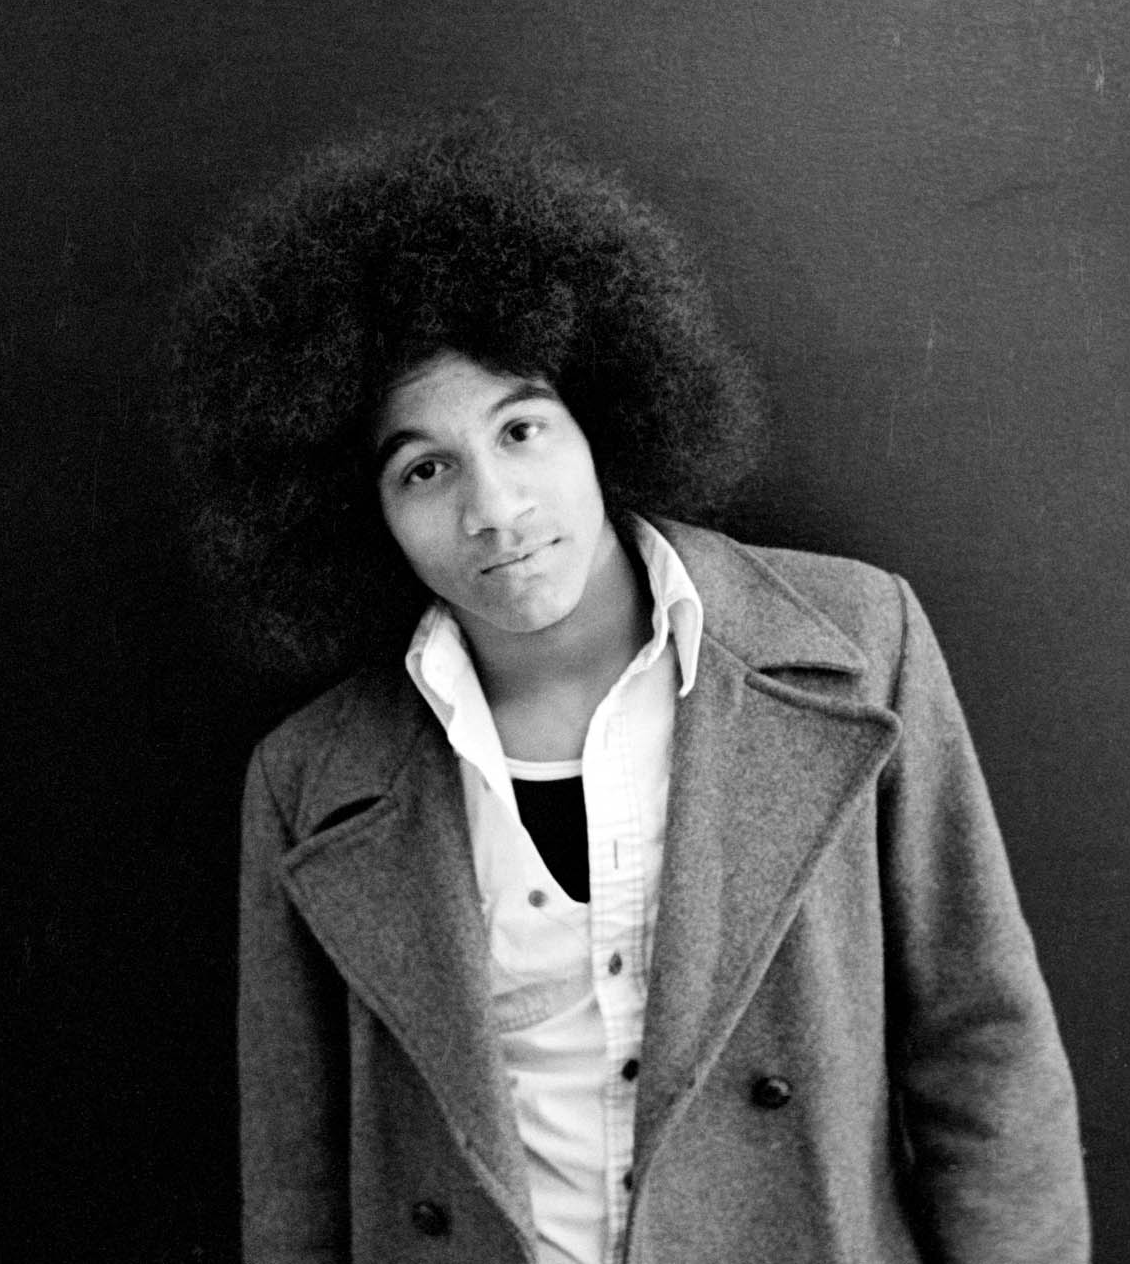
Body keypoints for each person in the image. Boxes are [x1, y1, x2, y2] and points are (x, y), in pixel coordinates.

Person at [170, 112, 1089, 1264]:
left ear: (599, 417)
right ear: (361, 513)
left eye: (520, 428)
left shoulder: (858, 642)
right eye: (424, 467)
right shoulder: (307, 781)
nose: (494, 509)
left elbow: (982, 1047)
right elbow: (294, 1183)